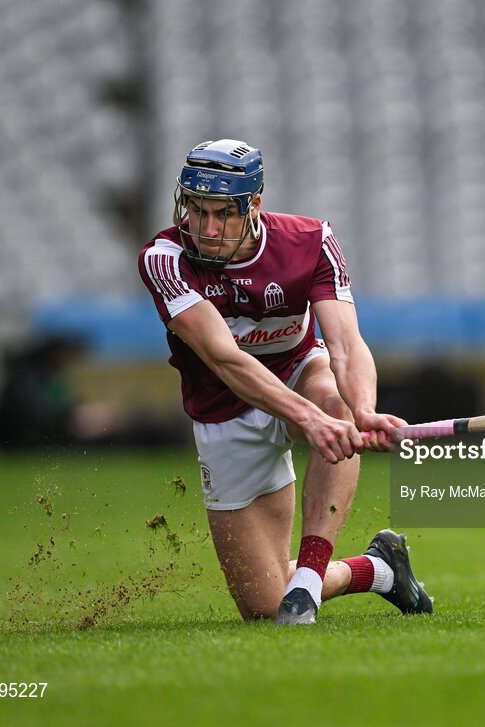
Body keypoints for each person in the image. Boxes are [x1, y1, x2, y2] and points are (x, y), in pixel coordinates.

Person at [138, 139, 432, 624]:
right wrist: (311, 421)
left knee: (335, 402)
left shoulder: (311, 240)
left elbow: (345, 344)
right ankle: (381, 569)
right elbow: (224, 359)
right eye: (196, 210)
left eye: (222, 214)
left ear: (253, 205)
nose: (207, 229)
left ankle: (312, 574)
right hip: (224, 407)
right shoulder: (164, 258)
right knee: (264, 605)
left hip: (299, 375)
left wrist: (361, 410)